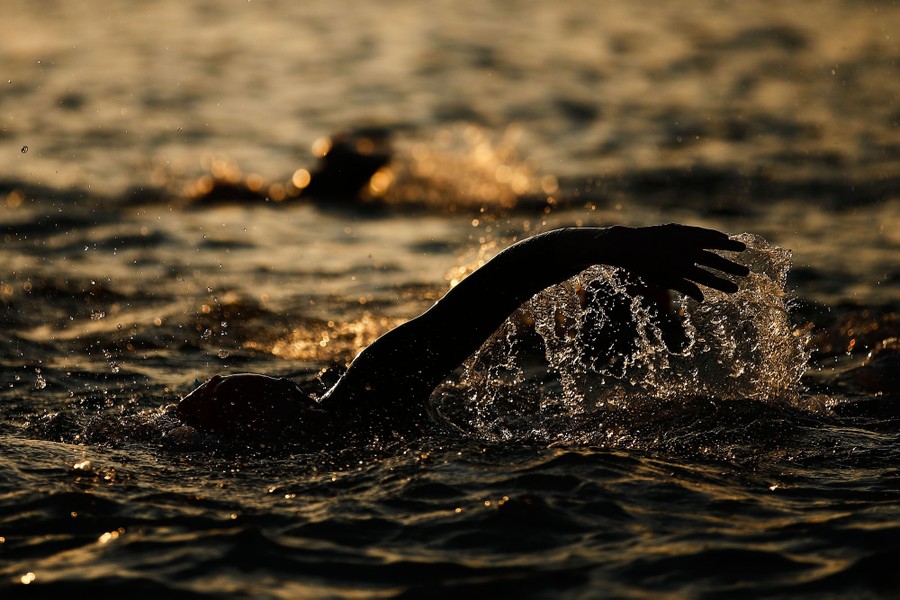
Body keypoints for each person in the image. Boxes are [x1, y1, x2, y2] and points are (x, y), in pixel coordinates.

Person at [174, 224, 749, 446]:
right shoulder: (368, 398)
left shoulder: (356, 407)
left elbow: (502, 285)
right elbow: (508, 280)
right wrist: (612, 243)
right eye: (222, 392)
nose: (220, 381)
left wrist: (612, 245)